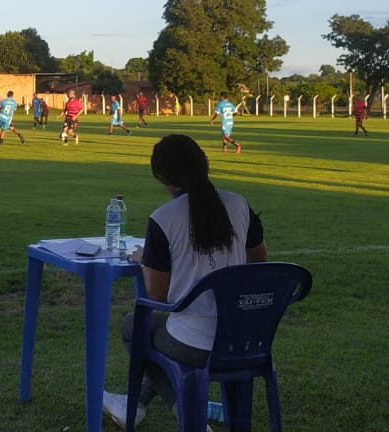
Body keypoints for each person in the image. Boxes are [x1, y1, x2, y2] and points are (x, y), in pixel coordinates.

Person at [101, 134, 267, 429]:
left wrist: (145, 261)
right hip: (245, 337)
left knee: (134, 327)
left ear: (163, 177)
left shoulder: (164, 219)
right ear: (203, 164)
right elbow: (260, 260)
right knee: (149, 331)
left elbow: (158, 295)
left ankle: (186, 414)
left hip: (195, 340)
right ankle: (136, 407)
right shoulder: (240, 204)